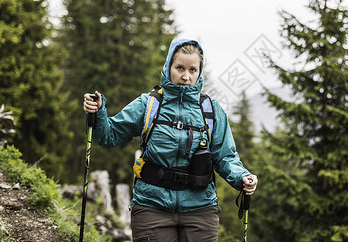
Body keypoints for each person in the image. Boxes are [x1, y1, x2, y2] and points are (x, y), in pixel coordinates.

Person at [83, 39, 258, 242]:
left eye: (193, 70)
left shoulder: (211, 110)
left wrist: (242, 177)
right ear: (168, 67)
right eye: (180, 68)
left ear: (200, 72)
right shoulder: (148, 104)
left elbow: (225, 156)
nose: (186, 76)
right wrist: (98, 113)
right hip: (152, 207)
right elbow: (109, 135)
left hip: (200, 210)